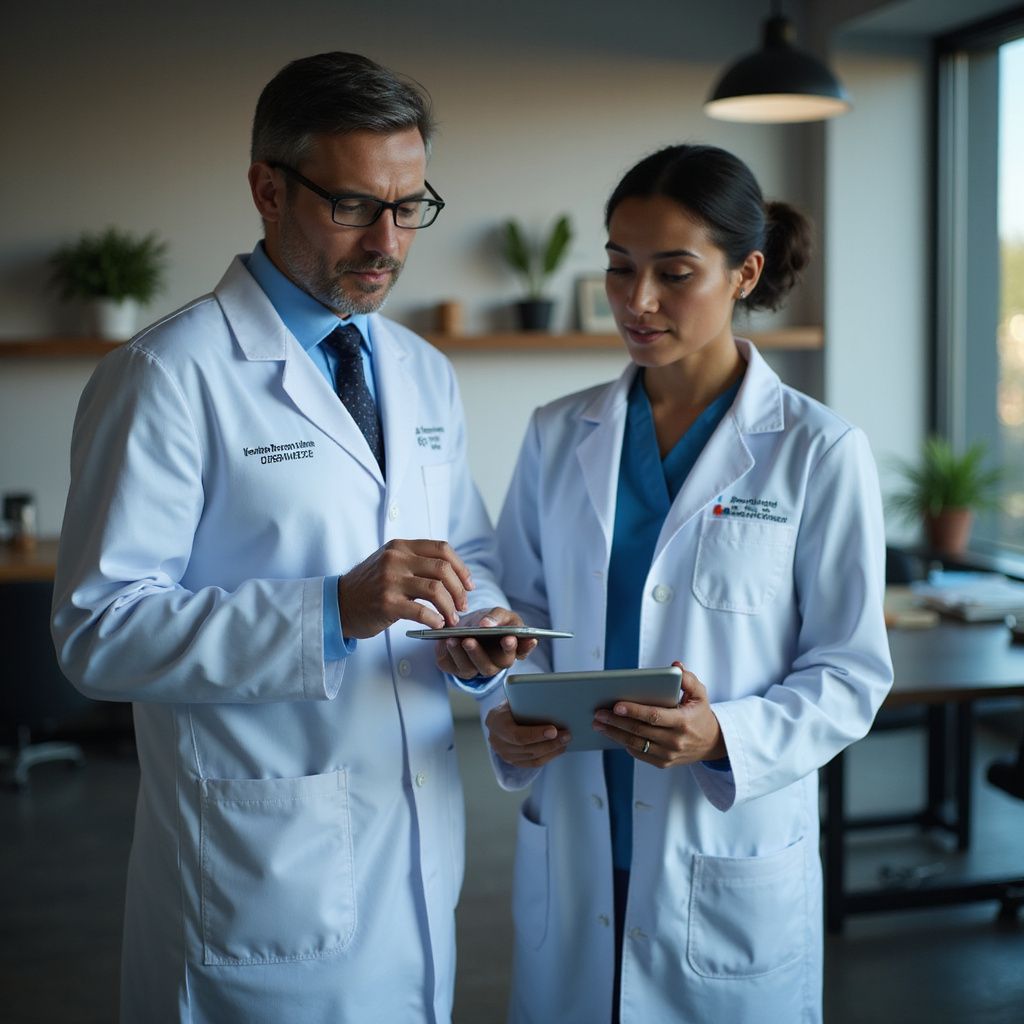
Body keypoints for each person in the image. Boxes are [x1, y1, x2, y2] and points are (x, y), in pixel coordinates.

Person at [51, 51, 532, 1024]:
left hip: (413, 849)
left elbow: (465, 557)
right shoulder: (167, 375)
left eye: (409, 206)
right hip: (257, 871)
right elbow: (96, 634)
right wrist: (329, 609)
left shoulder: (421, 370)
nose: (387, 241)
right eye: (354, 205)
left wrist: (478, 630)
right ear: (267, 189)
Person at [484, 143, 894, 1023]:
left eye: (674, 273)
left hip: (723, 844)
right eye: (620, 268)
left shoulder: (818, 451)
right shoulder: (558, 434)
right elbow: (520, 616)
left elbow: (851, 673)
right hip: (581, 830)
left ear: (746, 272)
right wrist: (505, 713)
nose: (638, 301)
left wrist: (723, 736)